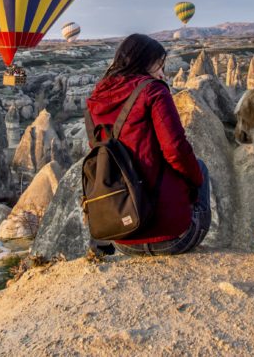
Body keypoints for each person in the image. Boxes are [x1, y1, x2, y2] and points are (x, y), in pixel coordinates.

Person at [85, 34, 210, 256]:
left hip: (123, 237)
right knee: (199, 168)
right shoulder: (153, 90)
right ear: (144, 62)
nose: (162, 72)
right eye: (159, 65)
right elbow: (175, 150)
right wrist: (194, 183)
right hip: (174, 238)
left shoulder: (96, 98)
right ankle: (183, 219)